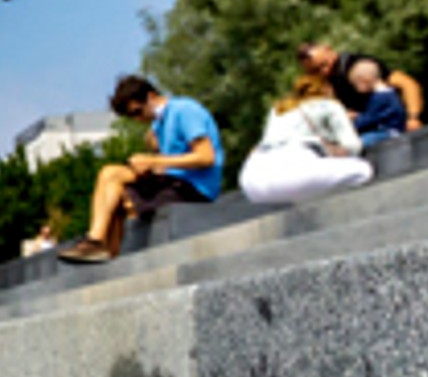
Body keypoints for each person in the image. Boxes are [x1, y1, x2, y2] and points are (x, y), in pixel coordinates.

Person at [56, 74, 226, 265]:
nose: (138, 119)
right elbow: (166, 162)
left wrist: (155, 160)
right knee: (109, 173)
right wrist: (151, 163)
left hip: (195, 189)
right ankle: (96, 242)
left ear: (151, 96)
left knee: (121, 197)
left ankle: (104, 249)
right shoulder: (157, 124)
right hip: (173, 182)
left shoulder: (184, 110)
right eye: (131, 116)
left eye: (137, 112)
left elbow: (206, 157)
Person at [240, 69, 369, 206]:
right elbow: (353, 147)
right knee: (362, 171)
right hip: (293, 167)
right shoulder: (329, 105)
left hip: (252, 179)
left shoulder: (279, 108)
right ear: (327, 89)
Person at [299, 41, 422, 134]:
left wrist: (413, 118)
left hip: (387, 128)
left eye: (324, 64)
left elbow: (408, 84)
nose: (324, 71)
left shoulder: (359, 65)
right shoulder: (322, 81)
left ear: (329, 50)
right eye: (316, 70)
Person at [345, 57, 410, 147]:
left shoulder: (380, 97)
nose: (356, 89)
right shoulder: (387, 93)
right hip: (389, 130)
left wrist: (352, 122)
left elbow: (369, 119)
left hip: (389, 132)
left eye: (356, 84)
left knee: (358, 143)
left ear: (365, 80)